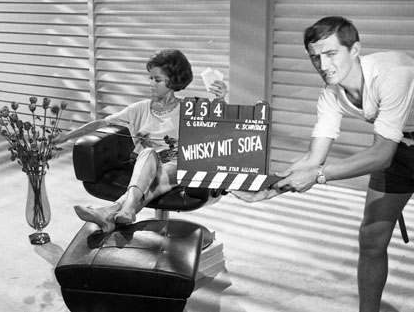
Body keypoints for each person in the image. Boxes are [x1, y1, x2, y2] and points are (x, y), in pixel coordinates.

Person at [232, 16, 414, 312]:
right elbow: (313, 159)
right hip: (401, 149)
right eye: (315, 57)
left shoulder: (393, 74)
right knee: (371, 238)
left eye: (331, 54)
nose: (323, 64)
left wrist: (318, 176)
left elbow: (380, 155)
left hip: (391, 149)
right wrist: (270, 188)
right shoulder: (331, 94)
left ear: (355, 50)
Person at [53, 49, 227, 232]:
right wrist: (67, 136)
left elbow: (219, 125)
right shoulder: (139, 109)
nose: (151, 83)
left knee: (158, 163)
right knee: (148, 154)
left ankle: (113, 210)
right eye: (150, 78)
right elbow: (101, 123)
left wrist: (221, 99)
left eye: (157, 80)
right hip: (147, 166)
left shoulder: (189, 107)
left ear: (173, 81)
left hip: (178, 165)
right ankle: (122, 212)